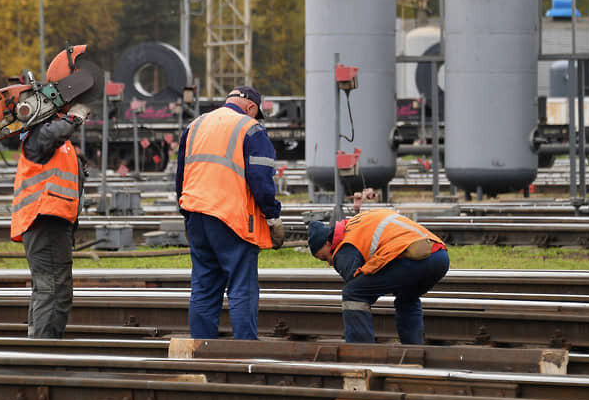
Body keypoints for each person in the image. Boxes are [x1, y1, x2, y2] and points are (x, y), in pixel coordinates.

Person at [176, 86, 285, 340]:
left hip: (196, 214)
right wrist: (273, 217)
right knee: (241, 287)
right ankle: (244, 353)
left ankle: (202, 350)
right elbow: (261, 179)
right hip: (232, 219)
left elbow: (180, 177)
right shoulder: (251, 128)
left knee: (204, 287)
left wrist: (186, 213)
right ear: (251, 108)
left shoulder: (196, 125)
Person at [10, 52, 93, 339]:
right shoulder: (37, 136)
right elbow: (48, 137)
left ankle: (38, 346)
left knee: (49, 287)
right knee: (53, 289)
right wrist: (74, 117)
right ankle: (43, 353)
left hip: (49, 222)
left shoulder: (56, 141)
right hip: (43, 219)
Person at [307, 203, 449, 344]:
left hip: (411, 257)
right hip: (439, 255)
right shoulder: (355, 225)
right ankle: (414, 350)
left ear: (327, 243)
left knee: (353, 294)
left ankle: (361, 354)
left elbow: (358, 285)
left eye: (325, 257)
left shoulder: (343, 247)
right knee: (407, 298)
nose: (330, 263)